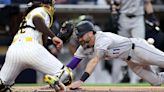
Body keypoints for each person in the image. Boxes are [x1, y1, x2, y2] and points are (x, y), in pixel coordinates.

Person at [65, 21, 164, 89]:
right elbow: (73, 63)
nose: (80, 39)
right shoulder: (84, 47)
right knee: (157, 82)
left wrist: (81, 81)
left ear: (90, 33)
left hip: (138, 49)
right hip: (131, 61)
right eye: (78, 37)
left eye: (81, 35)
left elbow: (95, 60)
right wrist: (58, 77)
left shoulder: (101, 39)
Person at [0, 0, 72, 91]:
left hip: (14, 51)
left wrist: (56, 39)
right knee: (66, 76)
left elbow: (43, 41)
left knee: (3, 85)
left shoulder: (27, 17)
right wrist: (53, 37)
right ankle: (53, 83)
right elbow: (37, 20)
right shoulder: (41, 10)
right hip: (31, 48)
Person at [110, 0, 159, 83]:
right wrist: (114, 15)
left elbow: (147, 2)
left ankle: (142, 76)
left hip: (138, 18)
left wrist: (151, 16)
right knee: (122, 47)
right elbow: (115, 4)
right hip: (123, 17)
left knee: (141, 47)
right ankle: (124, 73)